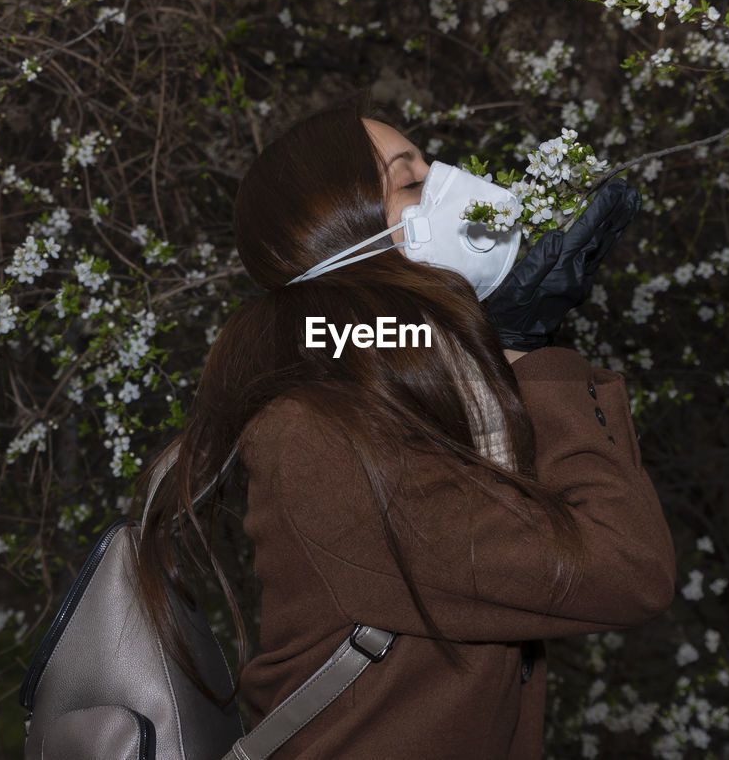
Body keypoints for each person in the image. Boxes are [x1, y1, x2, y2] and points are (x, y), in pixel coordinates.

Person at [135, 98, 676, 759]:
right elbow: (624, 567)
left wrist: (502, 342)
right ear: (342, 237)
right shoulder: (326, 439)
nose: (457, 191)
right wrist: (535, 356)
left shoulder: (394, 394)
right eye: (413, 183)